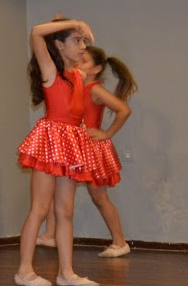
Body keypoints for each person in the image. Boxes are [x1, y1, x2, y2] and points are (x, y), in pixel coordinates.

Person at [14, 18, 98, 286]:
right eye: (76, 40)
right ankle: (24, 270)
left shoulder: (79, 75)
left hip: (71, 142)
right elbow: (37, 32)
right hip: (50, 141)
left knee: (66, 211)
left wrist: (71, 26)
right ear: (59, 45)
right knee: (39, 208)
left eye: (83, 41)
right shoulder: (50, 71)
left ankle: (66, 272)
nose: (83, 46)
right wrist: (76, 22)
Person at [40, 47, 136, 258]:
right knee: (58, 190)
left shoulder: (94, 89)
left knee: (99, 197)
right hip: (74, 148)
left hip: (91, 150)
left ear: (96, 69)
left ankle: (120, 242)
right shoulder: (73, 87)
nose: (77, 64)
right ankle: (50, 235)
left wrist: (107, 133)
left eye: (83, 61)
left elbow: (124, 110)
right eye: (78, 60)